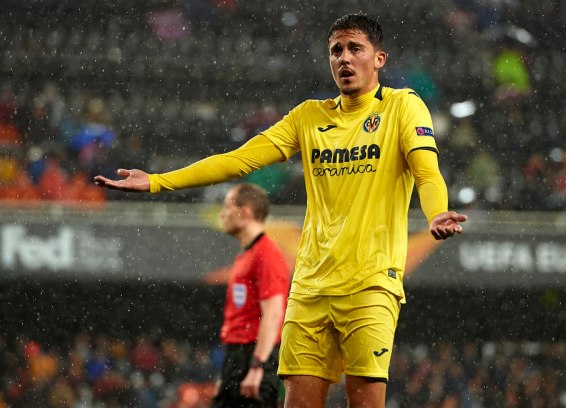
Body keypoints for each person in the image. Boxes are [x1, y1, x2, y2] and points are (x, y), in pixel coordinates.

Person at [95, 12, 468, 408]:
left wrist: (436, 212)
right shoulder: (309, 117)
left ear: (379, 59)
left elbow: (427, 173)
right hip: (309, 288)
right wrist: (158, 181)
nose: (344, 58)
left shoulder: (402, 106)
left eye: (355, 49)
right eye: (336, 50)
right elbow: (239, 160)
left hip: (370, 285)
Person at [210, 183, 290, 407]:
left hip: (253, 355)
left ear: (245, 213)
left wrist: (257, 367)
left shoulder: (268, 254)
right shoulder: (248, 254)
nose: (222, 214)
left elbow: (273, 314)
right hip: (238, 356)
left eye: (227, 207)